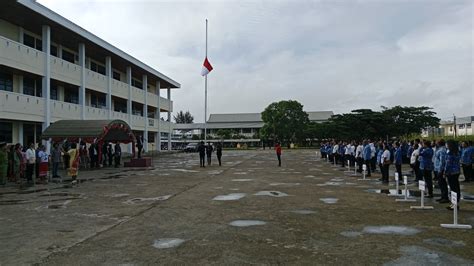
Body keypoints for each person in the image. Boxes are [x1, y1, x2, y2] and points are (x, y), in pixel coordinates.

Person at [445, 140, 461, 210]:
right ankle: (454, 203)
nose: (446, 145)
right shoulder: (457, 152)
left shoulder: (450, 154)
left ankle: (454, 204)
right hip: (456, 172)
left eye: (447, 144)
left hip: (451, 172)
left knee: (453, 188)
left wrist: (445, 172)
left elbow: (448, 164)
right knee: (456, 187)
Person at [434, 139, 449, 203]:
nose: (435, 143)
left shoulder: (442, 150)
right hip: (438, 168)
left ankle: (445, 197)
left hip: (441, 169)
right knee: (440, 184)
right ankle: (443, 196)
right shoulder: (440, 149)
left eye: (436, 142)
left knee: (442, 183)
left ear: (439, 143)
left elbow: (442, 161)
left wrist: (440, 170)